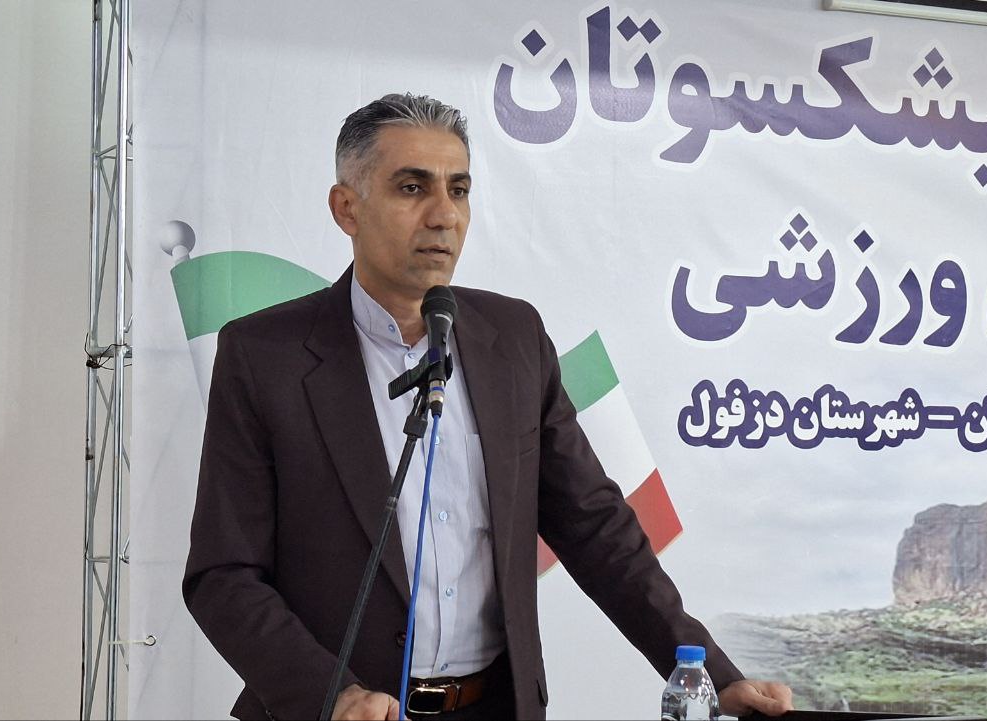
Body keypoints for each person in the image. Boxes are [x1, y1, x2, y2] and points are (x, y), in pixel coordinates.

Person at [183, 93, 793, 721]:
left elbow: (596, 529)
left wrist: (712, 675)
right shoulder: (266, 355)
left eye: (459, 190)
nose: (443, 215)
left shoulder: (514, 339)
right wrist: (330, 696)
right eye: (412, 188)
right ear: (347, 208)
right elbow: (223, 575)